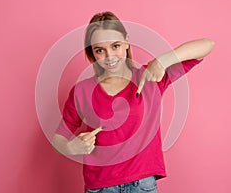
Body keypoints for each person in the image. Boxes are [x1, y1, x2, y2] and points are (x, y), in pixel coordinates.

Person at [52, 11, 214, 193]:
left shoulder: (151, 76)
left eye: (115, 46)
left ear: (127, 41)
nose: (109, 56)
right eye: (100, 50)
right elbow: (58, 137)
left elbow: (207, 45)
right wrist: (70, 147)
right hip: (100, 187)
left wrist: (162, 61)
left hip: (143, 185)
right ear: (92, 53)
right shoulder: (82, 91)